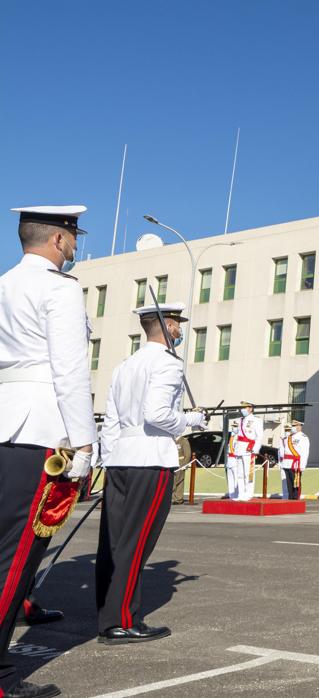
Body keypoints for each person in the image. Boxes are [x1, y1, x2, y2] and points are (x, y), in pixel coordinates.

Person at [0, 205, 96, 698]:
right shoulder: (59, 288)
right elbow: (71, 371)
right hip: (40, 428)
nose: (76, 244)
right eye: (74, 236)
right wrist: (84, 441)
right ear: (59, 240)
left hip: (5, 421)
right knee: (15, 559)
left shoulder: (4, 283)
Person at [96, 301, 206, 645]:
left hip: (120, 459)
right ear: (168, 326)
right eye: (177, 324)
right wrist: (191, 420)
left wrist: (108, 460)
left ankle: (108, 614)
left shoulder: (125, 365)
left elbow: (111, 422)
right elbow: (158, 414)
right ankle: (123, 620)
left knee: (113, 543)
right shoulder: (168, 364)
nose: (180, 330)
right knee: (136, 542)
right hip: (150, 458)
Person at [226, 402, 263, 501]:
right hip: (239, 448)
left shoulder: (256, 420)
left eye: (244, 408)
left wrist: (255, 449)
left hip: (249, 449)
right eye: (241, 408)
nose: (242, 410)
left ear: (250, 408)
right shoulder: (240, 420)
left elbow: (259, 436)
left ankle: (248, 493)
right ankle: (241, 494)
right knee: (240, 474)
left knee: (248, 473)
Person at [279, 420, 309, 500]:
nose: (293, 427)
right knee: (289, 484)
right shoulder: (289, 437)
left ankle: (295, 499)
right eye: (292, 426)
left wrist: (302, 465)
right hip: (287, 463)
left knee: (295, 483)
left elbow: (305, 452)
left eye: (295, 426)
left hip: (296, 464)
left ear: (299, 426)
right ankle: (290, 499)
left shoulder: (303, 437)